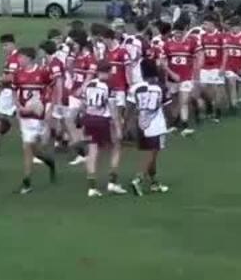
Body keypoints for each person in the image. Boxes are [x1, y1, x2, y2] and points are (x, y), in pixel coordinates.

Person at [12, 46, 57, 194]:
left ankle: (27, 181)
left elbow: (53, 89)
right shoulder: (17, 74)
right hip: (25, 116)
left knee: (29, 147)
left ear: (29, 58)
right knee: (29, 149)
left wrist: (49, 110)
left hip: (38, 115)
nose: (19, 60)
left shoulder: (43, 72)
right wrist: (19, 108)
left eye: (21, 57)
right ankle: (44, 164)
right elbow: (14, 92)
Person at [78, 62, 126, 197]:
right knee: (116, 147)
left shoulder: (88, 84)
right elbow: (112, 109)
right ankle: (112, 182)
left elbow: (82, 104)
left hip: (89, 118)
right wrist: (118, 128)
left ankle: (92, 187)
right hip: (103, 121)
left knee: (92, 151)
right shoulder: (109, 86)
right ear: (107, 72)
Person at [128, 60, 170, 195]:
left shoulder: (135, 88)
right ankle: (138, 179)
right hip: (156, 126)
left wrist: (126, 125)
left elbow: (129, 108)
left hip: (141, 125)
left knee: (150, 155)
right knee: (151, 155)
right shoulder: (161, 87)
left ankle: (154, 183)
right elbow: (167, 107)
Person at [162, 23, 200, 135]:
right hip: (172, 79)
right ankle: (173, 124)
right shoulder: (167, 45)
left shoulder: (191, 43)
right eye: (176, 32)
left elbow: (197, 57)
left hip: (186, 78)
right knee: (174, 103)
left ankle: (185, 126)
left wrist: (194, 71)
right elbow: (163, 63)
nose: (178, 34)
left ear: (184, 31)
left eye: (181, 32)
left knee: (184, 101)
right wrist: (171, 74)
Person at [65, 32, 97, 165]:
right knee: (69, 119)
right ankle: (80, 148)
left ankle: (85, 148)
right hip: (75, 92)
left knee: (86, 122)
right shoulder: (76, 56)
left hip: (86, 93)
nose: (74, 46)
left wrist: (82, 88)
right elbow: (69, 68)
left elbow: (90, 75)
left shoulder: (90, 57)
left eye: (76, 44)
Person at [197, 15, 228, 121]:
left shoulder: (221, 36)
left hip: (216, 67)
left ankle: (217, 112)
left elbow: (225, 52)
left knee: (216, 90)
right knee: (203, 89)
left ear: (212, 24)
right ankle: (209, 106)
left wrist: (223, 67)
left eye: (205, 23)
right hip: (205, 68)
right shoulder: (202, 37)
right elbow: (200, 53)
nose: (204, 26)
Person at [222, 17, 241, 111]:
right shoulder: (225, 36)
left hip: (240, 67)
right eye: (233, 27)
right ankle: (234, 106)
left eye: (236, 27)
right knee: (231, 82)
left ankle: (230, 103)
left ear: (240, 27)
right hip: (228, 66)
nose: (234, 29)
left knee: (236, 87)